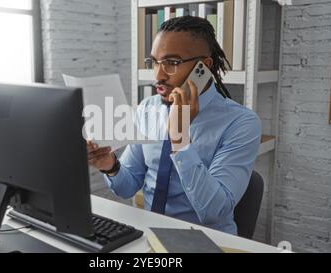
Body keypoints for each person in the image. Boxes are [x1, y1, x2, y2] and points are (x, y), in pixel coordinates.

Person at [87, 16, 261, 235]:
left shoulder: (241, 123)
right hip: (149, 235)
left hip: (206, 241)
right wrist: (110, 166)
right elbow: (127, 187)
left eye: (172, 63)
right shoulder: (148, 109)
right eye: (155, 62)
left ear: (203, 67)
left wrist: (179, 138)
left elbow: (214, 211)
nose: (158, 75)